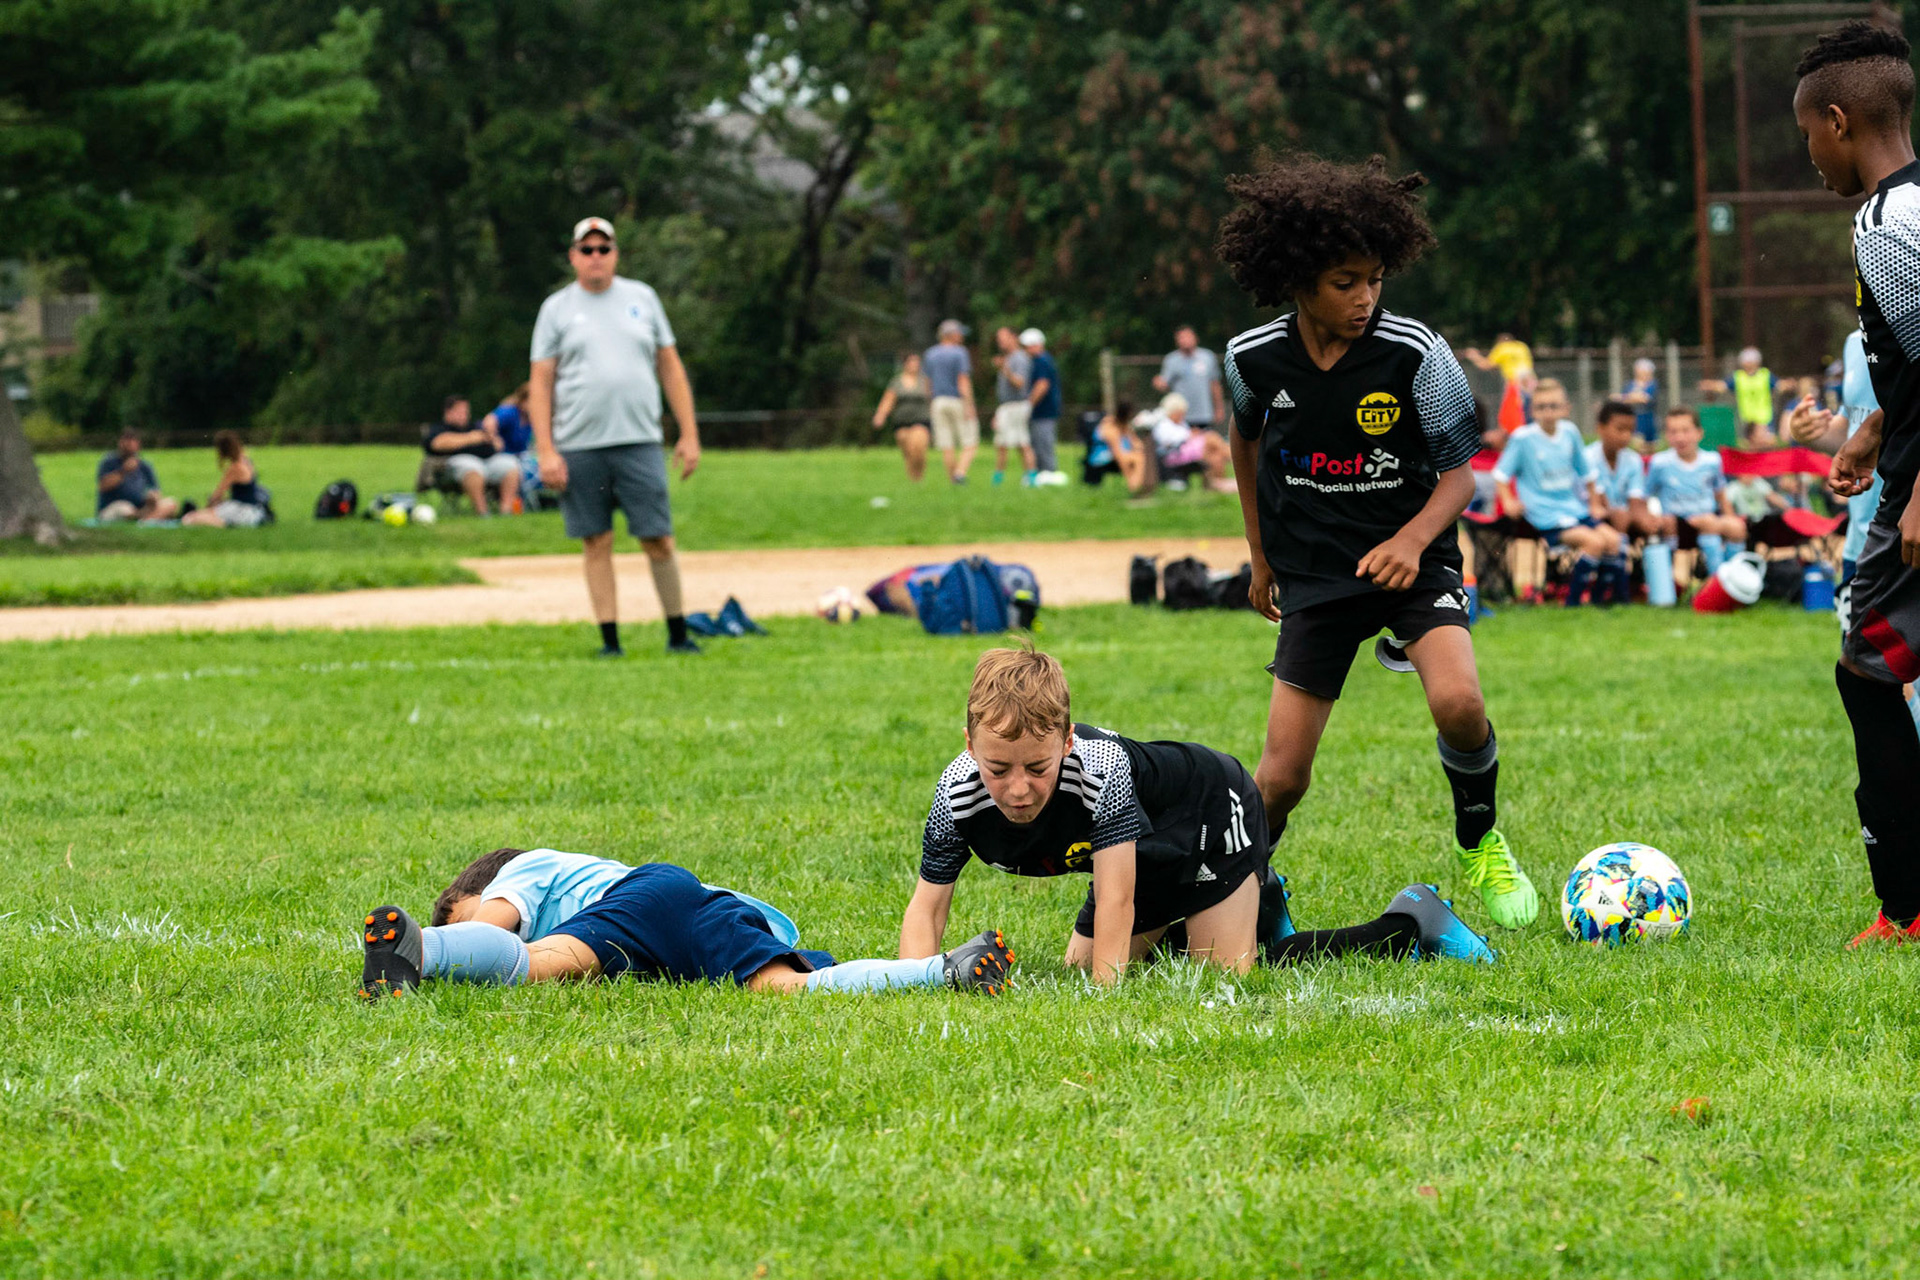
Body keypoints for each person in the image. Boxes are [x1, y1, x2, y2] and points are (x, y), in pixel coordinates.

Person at [1217, 152, 1537, 931]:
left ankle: (1479, 840)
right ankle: (1236, 896)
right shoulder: (1251, 358)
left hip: (1415, 559)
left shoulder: (1417, 354)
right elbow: (1245, 440)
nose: (1365, 299)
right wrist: (1261, 556)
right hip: (1316, 574)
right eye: (1344, 283)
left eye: (1375, 279)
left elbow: (1462, 476)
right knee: (1282, 776)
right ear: (1297, 279)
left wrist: (1410, 540)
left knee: (1459, 702)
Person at [893, 647, 1495, 985]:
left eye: (1037, 767)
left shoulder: (1100, 771)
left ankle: (1410, 922)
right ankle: (1256, 902)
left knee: (1227, 974)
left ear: (1067, 742)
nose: (1018, 789)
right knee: (1080, 965)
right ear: (970, 747)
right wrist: (915, 986)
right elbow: (929, 907)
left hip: (1209, 807)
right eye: (999, 770)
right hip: (1142, 851)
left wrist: (1105, 1010)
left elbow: (1119, 897)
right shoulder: (957, 792)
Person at [1783, 21, 1920, 945]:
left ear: (1838, 120)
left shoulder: (1885, 221)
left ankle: (1908, 906)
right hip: (1903, 458)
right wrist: (1876, 426)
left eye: (1807, 137)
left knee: (1868, 663)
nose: (1810, 158)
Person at [357, 847, 1013, 999]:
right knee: (781, 988)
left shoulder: (519, 872)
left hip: (651, 898)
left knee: (532, 962)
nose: (494, 927)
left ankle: (423, 951)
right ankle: (949, 970)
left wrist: (460, 937)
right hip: (680, 918)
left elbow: (502, 935)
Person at [529, 216, 703, 657]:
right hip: (580, 444)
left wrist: (688, 433)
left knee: (657, 538)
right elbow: (541, 382)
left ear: (615, 255)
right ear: (573, 257)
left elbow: (670, 367)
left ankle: (678, 634)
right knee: (597, 540)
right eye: (586, 250)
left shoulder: (642, 298)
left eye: (603, 249)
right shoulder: (557, 309)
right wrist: (546, 450)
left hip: (639, 440)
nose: (595, 258)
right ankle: (610, 640)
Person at [1492, 378, 1622, 606]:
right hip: (1545, 515)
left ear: (1565, 408)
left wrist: (1594, 503)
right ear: (1532, 410)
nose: (1548, 412)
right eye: (1541, 407)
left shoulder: (1570, 432)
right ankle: (1573, 603)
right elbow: (1501, 475)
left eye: (1553, 406)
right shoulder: (1523, 438)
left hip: (1572, 507)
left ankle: (1603, 600)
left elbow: (1587, 473)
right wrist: (1509, 501)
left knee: (1613, 540)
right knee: (1593, 543)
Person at [1644, 407, 1746, 572]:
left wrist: (1730, 519)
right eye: (1673, 432)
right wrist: (1653, 517)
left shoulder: (1712, 460)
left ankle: (1735, 576)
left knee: (1735, 527)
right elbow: (1644, 495)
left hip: (1708, 518)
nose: (1680, 437)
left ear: (1699, 433)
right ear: (1666, 435)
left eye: (1686, 431)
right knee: (1707, 528)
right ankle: (1711, 581)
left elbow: (1720, 494)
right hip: (1676, 524)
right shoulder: (1660, 463)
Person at [423, 394, 521, 517]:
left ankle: (506, 511)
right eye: (459, 411)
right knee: (471, 466)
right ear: (448, 412)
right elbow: (437, 443)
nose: (464, 415)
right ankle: (483, 512)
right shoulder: (439, 428)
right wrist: (472, 438)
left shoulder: (474, 426)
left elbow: (497, 446)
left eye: (466, 411)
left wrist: (493, 439)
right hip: (451, 469)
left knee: (509, 463)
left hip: (485, 463)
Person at [1587, 400, 1655, 547]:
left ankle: (1646, 567)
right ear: (1600, 428)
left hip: (1625, 517)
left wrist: (1645, 519)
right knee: (1620, 516)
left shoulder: (1633, 459)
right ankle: (1618, 560)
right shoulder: (1588, 458)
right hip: (1593, 518)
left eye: (1631, 430)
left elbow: (1635, 501)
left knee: (1652, 522)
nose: (1626, 436)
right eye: (1620, 429)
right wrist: (1622, 515)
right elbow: (1599, 503)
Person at [924, 319, 979, 484]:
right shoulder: (959, 352)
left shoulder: (930, 353)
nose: (961, 336)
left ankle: (952, 481)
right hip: (956, 400)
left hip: (937, 402)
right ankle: (960, 474)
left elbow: (927, 382)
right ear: (951, 335)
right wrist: (969, 404)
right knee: (970, 442)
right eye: (959, 333)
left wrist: (930, 402)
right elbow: (963, 380)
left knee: (947, 445)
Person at [181, 430, 271, 527]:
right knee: (206, 513)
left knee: (189, 518)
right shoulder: (246, 461)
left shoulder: (234, 468)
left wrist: (208, 507)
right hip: (253, 510)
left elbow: (217, 495)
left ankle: (225, 524)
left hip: (241, 511)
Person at [1148, 393, 1235, 493]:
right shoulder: (1163, 424)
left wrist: (1192, 434)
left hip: (1187, 450)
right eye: (1180, 413)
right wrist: (1190, 435)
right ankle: (1234, 458)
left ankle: (1218, 483)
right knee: (1211, 437)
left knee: (1216, 454)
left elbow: (1186, 434)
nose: (1183, 415)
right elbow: (1168, 442)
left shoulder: (1181, 423)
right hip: (1175, 454)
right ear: (1173, 411)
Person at [870, 351, 933, 482]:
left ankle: (919, 477)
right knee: (909, 452)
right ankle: (913, 479)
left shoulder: (925, 381)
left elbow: (932, 399)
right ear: (905, 364)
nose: (915, 365)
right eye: (912, 362)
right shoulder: (897, 382)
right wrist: (880, 415)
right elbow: (888, 400)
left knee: (918, 449)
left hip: (921, 420)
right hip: (901, 422)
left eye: (917, 362)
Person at [1153, 325, 1227, 435]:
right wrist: (1158, 383)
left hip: (1204, 413)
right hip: (1180, 416)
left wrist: (1219, 408)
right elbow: (1164, 385)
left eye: (1188, 336)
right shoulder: (1171, 360)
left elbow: (1215, 384)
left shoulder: (1207, 357)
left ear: (1195, 338)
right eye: (1181, 338)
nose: (1185, 340)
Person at [94, 428, 179, 522]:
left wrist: (152, 498)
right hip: (115, 507)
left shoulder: (145, 465)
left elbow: (155, 489)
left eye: (131, 441)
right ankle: (147, 519)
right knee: (125, 509)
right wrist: (124, 471)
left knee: (171, 503)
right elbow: (103, 486)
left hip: (141, 507)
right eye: (125, 441)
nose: (128, 445)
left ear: (138, 444)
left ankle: (145, 521)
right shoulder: (109, 462)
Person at [1706, 347, 1782, 446]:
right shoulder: (1738, 376)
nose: (1749, 364)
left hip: (1765, 418)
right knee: (1747, 446)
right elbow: (1722, 386)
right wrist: (1709, 385)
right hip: (1747, 419)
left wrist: (1789, 384)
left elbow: (1779, 385)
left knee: (1768, 444)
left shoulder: (1765, 375)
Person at [988, 326, 1035, 486]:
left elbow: (1019, 383)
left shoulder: (1019, 358)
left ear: (1014, 337)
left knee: (1019, 443)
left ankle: (1001, 479)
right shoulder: (1009, 358)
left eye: (1003, 337)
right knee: (1010, 443)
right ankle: (1027, 477)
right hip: (1007, 406)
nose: (1000, 341)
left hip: (1016, 406)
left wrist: (1004, 369)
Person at [1021, 328, 1068, 485]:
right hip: (1040, 411)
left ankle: (1049, 472)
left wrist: (1029, 403)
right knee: (1037, 443)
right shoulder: (1038, 360)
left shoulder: (1042, 360)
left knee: (1044, 443)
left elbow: (1042, 385)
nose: (1027, 349)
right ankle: (1041, 474)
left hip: (1045, 410)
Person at [1089, 399, 1149, 493]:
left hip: (1123, 453)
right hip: (1104, 456)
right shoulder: (1109, 425)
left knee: (1140, 456)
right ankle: (1134, 486)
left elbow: (1135, 442)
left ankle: (1138, 485)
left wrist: (1138, 447)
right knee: (1138, 458)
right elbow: (1117, 453)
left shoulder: (1125, 426)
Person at [1462, 333, 1534, 384]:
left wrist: (1474, 356)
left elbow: (1486, 365)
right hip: (1530, 378)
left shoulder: (1503, 347)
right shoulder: (1521, 346)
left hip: (1514, 381)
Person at [1621, 357, 1662, 447]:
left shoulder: (1653, 384)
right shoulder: (1630, 384)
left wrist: (1631, 397)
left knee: (1651, 446)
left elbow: (1645, 399)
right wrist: (1635, 397)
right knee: (1637, 445)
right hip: (1634, 419)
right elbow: (1622, 399)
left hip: (1649, 419)